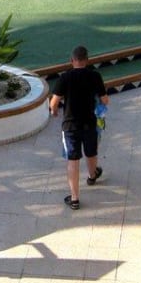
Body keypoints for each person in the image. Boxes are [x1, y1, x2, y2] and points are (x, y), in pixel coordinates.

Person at [49, 45, 110, 210]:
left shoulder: (65, 78)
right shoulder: (95, 76)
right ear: (87, 60)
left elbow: (54, 103)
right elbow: (105, 100)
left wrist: (54, 112)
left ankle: (75, 199)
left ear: (72, 60)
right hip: (89, 122)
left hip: (70, 125)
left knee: (73, 160)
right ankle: (92, 176)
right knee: (91, 152)